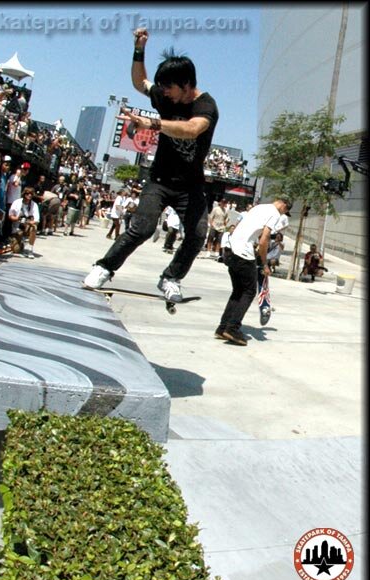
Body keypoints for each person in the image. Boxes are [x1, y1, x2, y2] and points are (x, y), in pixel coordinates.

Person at [83, 27, 219, 302]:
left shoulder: (206, 106)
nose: (164, 93)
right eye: (163, 88)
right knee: (142, 227)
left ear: (186, 85)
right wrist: (139, 48)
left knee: (196, 235)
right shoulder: (166, 95)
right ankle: (104, 267)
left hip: (190, 186)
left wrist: (153, 124)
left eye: (169, 88)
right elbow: (140, 82)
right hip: (159, 180)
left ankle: (171, 278)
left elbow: (192, 130)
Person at [214, 197, 292, 346]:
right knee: (249, 292)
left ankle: (222, 328)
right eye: (285, 211)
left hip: (231, 250)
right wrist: (264, 264)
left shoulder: (258, 207)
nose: (283, 214)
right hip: (243, 253)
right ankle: (232, 328)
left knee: (238, 292)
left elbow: (243, 227)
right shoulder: (274, 213)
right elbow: (264, 240)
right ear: (283, 204)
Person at [8, 186, 40, 258]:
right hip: (17, 227)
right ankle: (20, 242)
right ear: (24, 194)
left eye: (31, 194)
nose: (29, 195)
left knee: (34, 227)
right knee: (16, 250)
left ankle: (30, 249)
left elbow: (36, 220)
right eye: (28, 193)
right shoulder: (17, 202)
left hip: (28, 226)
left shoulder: (34, 205)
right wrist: (16, 218)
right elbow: (10, 216)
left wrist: (29, 222)